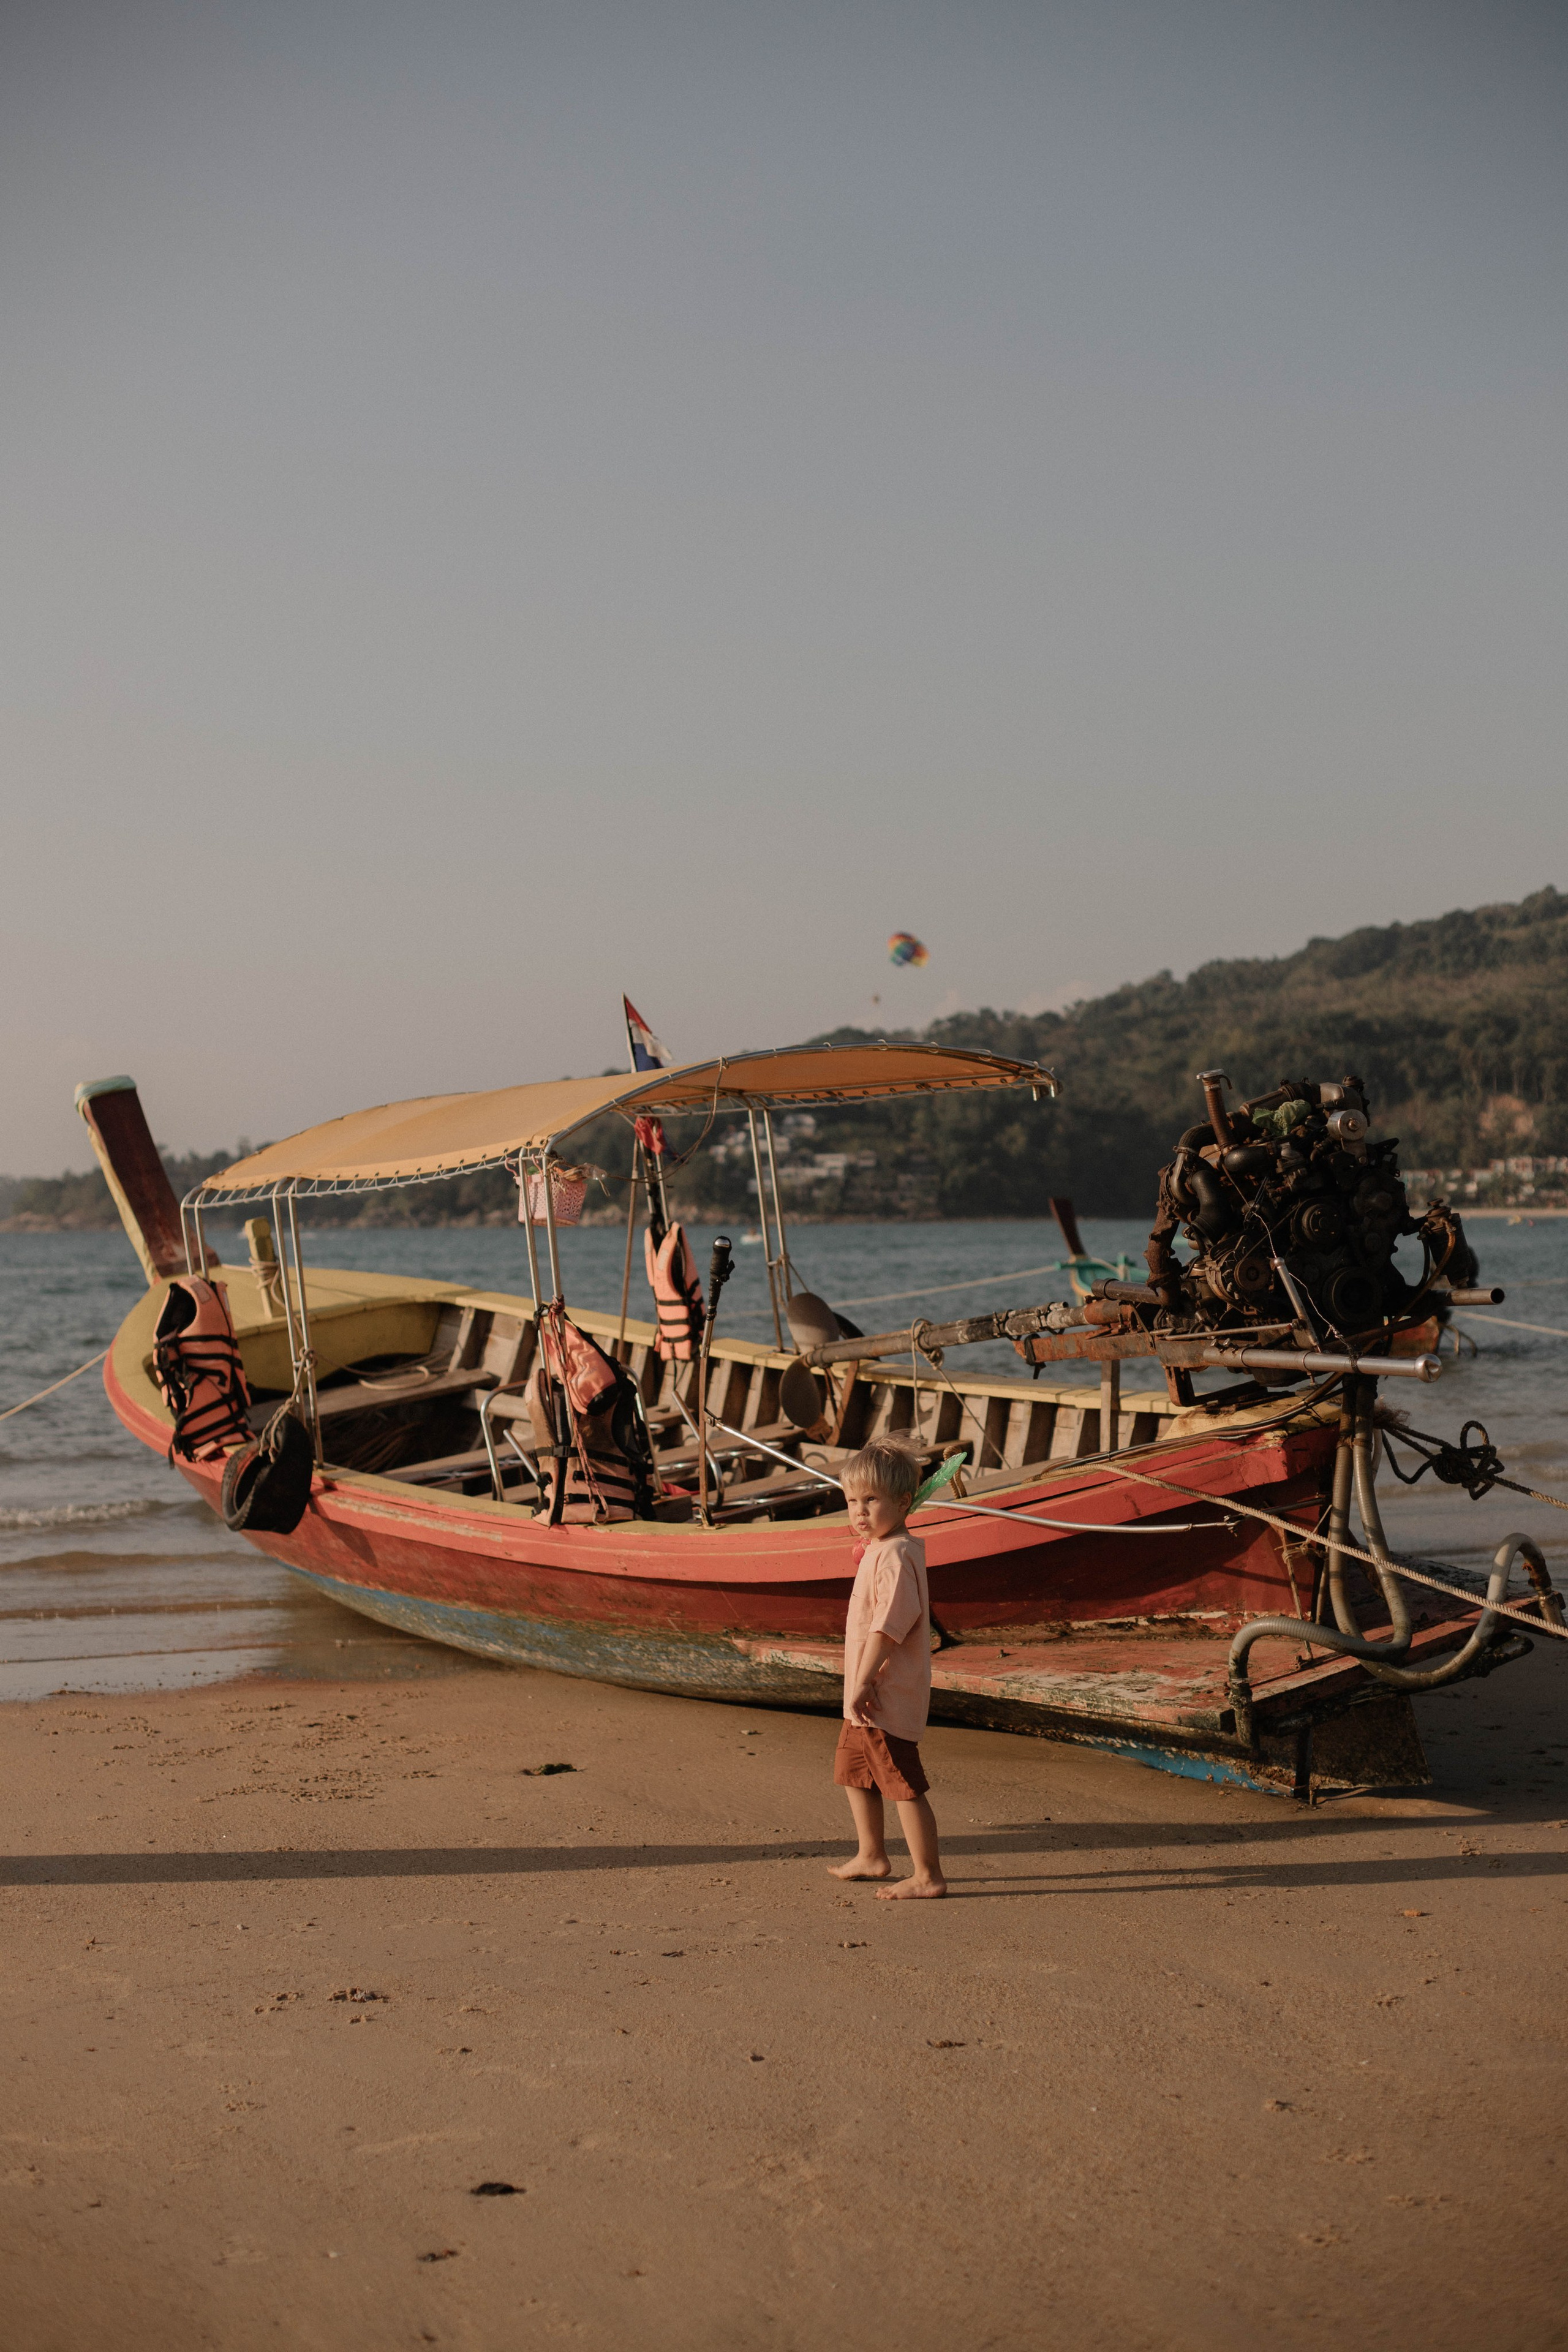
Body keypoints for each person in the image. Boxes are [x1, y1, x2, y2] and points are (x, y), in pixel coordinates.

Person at [828, 1436, 947, 1901]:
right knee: (854, 1772)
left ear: (903, 1503)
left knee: (902, 1784)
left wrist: (860, 1682)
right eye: (852, 1501)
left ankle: (927, 1874)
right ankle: (871, 1854)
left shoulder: (896, 1555)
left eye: (871, 1500)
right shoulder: (880, 1547)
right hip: (865, 1692)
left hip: (883, 1690)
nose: (859, 1511)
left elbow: (889, 1628)